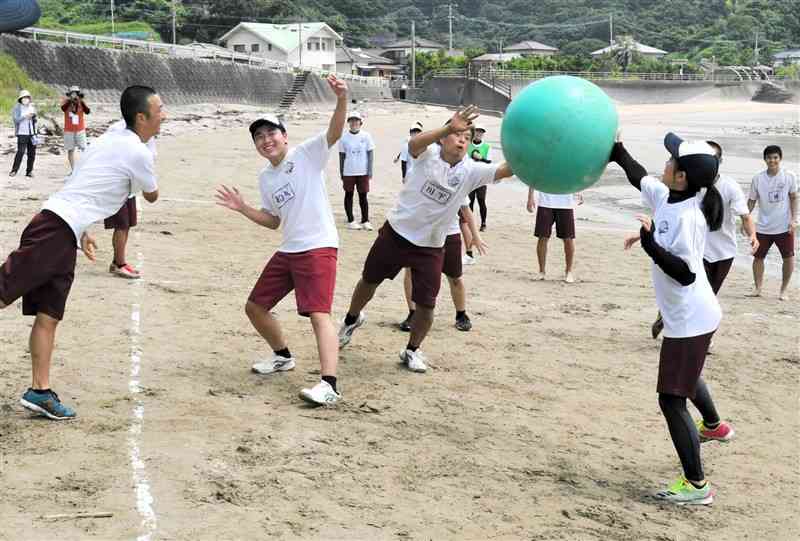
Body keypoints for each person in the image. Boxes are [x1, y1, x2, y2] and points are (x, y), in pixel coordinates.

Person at [0, 85, 163, 420]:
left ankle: (40, 391)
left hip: (65, 230)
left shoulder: (116, 136)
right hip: (54, 229)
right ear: (142, 117)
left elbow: (84, 183)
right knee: (1, 293)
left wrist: (82, 231)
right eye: (159, 110)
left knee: (49, 316)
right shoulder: (137, 151)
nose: (165, 115)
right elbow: (151, 195)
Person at [338, 106, 514, 373]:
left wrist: (533, 152)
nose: (462, 140)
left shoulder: (471, 171)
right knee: (368, 282)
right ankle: (351, 319)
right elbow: (413, 143)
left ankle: (411, 350)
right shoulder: (426, 154)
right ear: (444, 138)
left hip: (431, 246)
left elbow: (504, 171)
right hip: (396, 233)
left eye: (466, 137)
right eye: (457, 134)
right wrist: (447, 127)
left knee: (427, 307)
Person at [613, 132, 734, 506]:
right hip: (692, 316)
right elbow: (638, 176)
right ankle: (716, 427)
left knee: (671, 399)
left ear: (681, 175)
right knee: (687, 375)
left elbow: (684, 273)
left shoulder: (689, 218)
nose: (663, 164)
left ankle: (696, 486)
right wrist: (617, 151)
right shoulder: (669, 195)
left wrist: (649, 243)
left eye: (670, 160)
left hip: (690, 318)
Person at [215, 74, 348, 406]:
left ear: (284, 136)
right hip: (289, 249)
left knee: (319, 314)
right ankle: (282, 356)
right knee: (255, 307)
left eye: (271, 132)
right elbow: (274, 220)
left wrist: (342, 99)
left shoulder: (306, 155)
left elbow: (334, 132)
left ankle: (329, 384)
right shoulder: (266, 177)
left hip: (318, 246)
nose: (266, 140)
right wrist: (243, 208)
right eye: (259, 137)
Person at [651, 141, 759, 339]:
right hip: (698, 252)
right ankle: (683, 329)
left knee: (709, 296)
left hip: (724, 253)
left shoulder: (730, 186)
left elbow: (745, 215)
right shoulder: (691, 184)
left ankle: (673, 321)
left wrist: (752, 235)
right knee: (692, 293)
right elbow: (670, 210)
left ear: (719, 162)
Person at [399, 204, 487, 332]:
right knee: (411, 271)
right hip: (420, 232)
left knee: (455, 276)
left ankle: (461, 314)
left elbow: (466, 209)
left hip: (449, 233)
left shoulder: (457, 183)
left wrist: (476, 235)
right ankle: (413, 313)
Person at [103, 119, 158, 279]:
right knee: (121, 225)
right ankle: (119, 264)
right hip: (118, 184)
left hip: (131, 186)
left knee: (126, 225)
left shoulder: (146, 129)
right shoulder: (117, 129)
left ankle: (118, 261)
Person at [746, 145, 798, 300]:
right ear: (765, 159)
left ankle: (783, 291)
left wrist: (794, 219)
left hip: (784, 226)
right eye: (769, 157)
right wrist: (745, 220)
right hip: (762, 226)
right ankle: (758, 288)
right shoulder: (758, 178)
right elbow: (751, 201)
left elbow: (794, 198)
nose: (772, 160)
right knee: (758, 257)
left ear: (780, 158)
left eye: (775, 157)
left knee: (788, 258)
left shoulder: (789, 176)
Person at [526, 188, 583, 283]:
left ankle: (568, 272)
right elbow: (534, 175)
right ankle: (541, 272)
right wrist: (530, 197)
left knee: (568, 238)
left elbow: (575, 174)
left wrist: (579, 190)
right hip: (545, 202)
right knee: (542, 237)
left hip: (566, 203)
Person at [339, 111, 375, 231]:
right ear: (349, 123)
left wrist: (370, 170)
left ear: (360, 122)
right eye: (352, 120)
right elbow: (342, 156)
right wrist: (342, 172)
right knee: (348, 194)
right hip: (349, 171)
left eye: (356, 120)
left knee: (363, 196)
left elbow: (370, 153)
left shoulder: (366, 136)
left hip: (363, 171)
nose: (354, 123)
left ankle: (365, 220)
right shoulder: (344, 138)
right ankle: (351, 220)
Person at [61, 85, 91, 172]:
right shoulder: (66, 102)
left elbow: (88, 111)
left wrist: (81, 101)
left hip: (80, 130)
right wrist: (70, 101)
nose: (74, 96)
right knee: (70, 150)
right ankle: (73, 170)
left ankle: (84, 168)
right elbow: (63, 108)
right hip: (69, 130)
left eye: (76, 93)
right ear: (69, 94)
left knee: (84, 149)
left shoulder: (81, 102)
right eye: (72, 94)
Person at [9, 89, 37, 178]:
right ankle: (14, 170)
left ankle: (29, 171)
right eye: (23, 98)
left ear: (29, 98)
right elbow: (16, 120)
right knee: (20, 152)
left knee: (32, 153)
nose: (25, 99)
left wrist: (34, 118)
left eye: (27, 97)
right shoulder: (17, 108)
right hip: (22, 133)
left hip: (32, 133)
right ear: (20, 99)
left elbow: (35, 120)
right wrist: (25, 116)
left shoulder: (32, 107)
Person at [467, 125, 490, 231]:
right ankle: (469, 223)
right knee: (469, 201)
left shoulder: (486, 146)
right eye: (477, 132)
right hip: (470, 178)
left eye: (481, 132)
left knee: (481, 200)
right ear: (474, 132)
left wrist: (481, 158)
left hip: (481, 178)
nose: (478, 134)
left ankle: (483, 223)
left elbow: (489, 163)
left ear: (483, 134)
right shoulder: (468, 145)